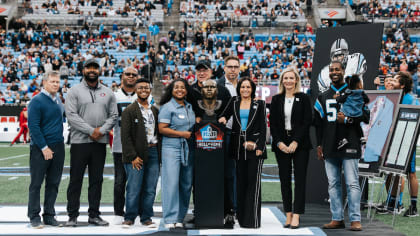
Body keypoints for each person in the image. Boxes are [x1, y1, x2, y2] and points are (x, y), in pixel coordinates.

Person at [314, 61, 369, 231]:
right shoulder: (323, 96)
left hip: (350, 142)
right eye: (331, 70)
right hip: (329, 144)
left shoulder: (354, 91)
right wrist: (319, 145)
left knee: (352, 182)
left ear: (343, 71)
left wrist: (347, 119)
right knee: (333, 183)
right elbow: (318, 124)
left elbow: (366, 117)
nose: (334, 72)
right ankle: (337, 217)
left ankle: (355, 219)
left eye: (337, 69)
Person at [65, 58, 118, 227]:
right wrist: (91, 131)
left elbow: (114, 116)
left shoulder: (108, 92)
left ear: (100, 70)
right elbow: (71, 116)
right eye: (89, 67)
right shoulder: (74, 91)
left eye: (95, 67)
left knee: (96, 180)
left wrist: (101, 131)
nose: (92, 70)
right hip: (80, 142)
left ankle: (94, 215)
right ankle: (72, 215)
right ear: (83, 70)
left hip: (99, 143)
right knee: (75, 180)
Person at [219, 77, 267, 228]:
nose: (245, 90)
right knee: (240, 184)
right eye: (242, 87)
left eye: (248, 87)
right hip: (238, 148)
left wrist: (259, 146)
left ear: (252, 89)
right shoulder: (234, 102)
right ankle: (241, 217)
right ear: (239, 89)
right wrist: (221, 119)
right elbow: (224, 116)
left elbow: (263, 127)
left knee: (253, 185)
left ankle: (252, 220)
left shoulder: (259, 104)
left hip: (254, 149)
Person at [269, 67, 312, 229]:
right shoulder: (276, 99)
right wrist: (279, 142)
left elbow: (307, 121)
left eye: (291, 78)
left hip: (300, 144)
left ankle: (297, 215)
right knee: (284, 180)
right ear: (282, 81)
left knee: (300, 180)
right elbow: (272, 123)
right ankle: (287, 213)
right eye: (285, 78)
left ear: (296, 80)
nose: (288, 81)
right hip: (281, 143)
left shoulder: (304, 98)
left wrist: (295, 142)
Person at [27, 71, 65, 228]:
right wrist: (44, 147)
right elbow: (33, 127)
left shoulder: (58, 101)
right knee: (36, 183)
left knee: (54, 183)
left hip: (58, 146)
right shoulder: (36, 101)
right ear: (44, 83)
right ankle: (34, 216)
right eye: (53, 82)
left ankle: (49, 215)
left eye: (58, 82)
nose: (56, 84)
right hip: (41, 148)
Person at [378, 72, 419, 217]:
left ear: (402, 85)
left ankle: (413, 206)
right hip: (395, 140)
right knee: (393, 172)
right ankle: (393, 203)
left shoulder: (410, 99)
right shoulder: (397, 96)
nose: (392, 81)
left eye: (395, 80)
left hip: (407, 140)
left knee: (410, 173)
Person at [121, 79, 160, 227]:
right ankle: (129, 217)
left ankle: (146, 217)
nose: (144, 90)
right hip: (136, 154)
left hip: (154, 151)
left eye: (146, 87)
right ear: (136, 90)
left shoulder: (155, 110)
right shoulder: (129, 110)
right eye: (140, 87)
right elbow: (125, 136)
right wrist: (133, 156)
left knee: (150, 188)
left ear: (150, 90)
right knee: (134, 187)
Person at [158, 79, 195, 229]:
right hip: (171, 148)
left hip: (188, 148)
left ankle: (180, 217)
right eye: (176, 87)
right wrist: (182, 134)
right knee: (171, 184)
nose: (180, 90)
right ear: (171, 90)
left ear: (186, 90)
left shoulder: (189, 107)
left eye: (183, 87)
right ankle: (169, 218)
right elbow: (162, 128)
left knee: (186, 184)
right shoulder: (167, 107)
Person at [111, 67, 139, 224]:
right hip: (120, 145)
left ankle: (136, 211)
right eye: (127, 74)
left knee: (137, 182)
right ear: (122, 76)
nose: (130, 77)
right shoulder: (114, 96)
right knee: (120, 181)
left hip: (138, 147)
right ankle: (118, 212)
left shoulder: (144, 95)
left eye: (134, 75)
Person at [216, 56, 240, 227]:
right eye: (230, 66)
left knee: (238, 174)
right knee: (226, 174)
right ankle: (226, 208)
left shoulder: (244, 85)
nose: (232, 69)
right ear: (224, 68)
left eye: (235, 67)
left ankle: (236, 208)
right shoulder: (217, 86)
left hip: (241, 134)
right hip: (223, 134)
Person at [335, 75, 369, 149]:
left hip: (348, 114)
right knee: (357, 126)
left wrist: (337, 96)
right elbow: (367, 100)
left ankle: (344, 139)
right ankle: (362, 138)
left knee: (342, 124)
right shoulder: (362, 93)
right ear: (359, 84)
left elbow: (340, 100)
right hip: (358, 114)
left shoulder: (348, 93)